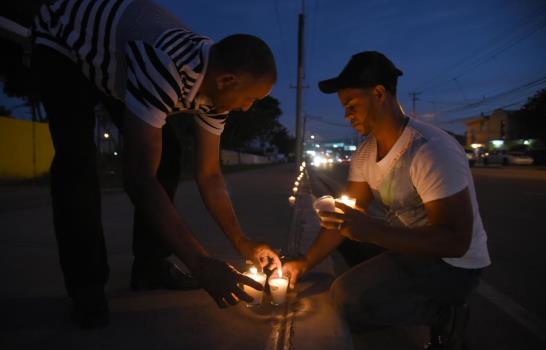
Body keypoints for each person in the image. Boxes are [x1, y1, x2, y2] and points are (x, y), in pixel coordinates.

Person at [31, 0, 281, 328]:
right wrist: (201, 264)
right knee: (76, 162)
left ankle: (150, 265)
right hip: (63, 42)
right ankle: (86, 285)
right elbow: (137, 178)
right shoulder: (166, 64)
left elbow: (208, 173)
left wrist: (243, 242)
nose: (248, 108)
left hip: (121, 58)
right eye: (252, 99)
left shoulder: (218, 91)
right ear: (227, 81)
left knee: (169, 156)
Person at [283, 51, 491, 349]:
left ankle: (445, 315)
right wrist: (303, 263)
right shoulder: (365, 154)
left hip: (453, 266)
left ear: (379, 93)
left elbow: (456, 241)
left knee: (346, 299)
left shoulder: (428, 149)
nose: (346, 115)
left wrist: (372, 231)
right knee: (347, 234)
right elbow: (346, 216)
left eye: (351, 105)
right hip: (409, 246)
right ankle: (393, 288)